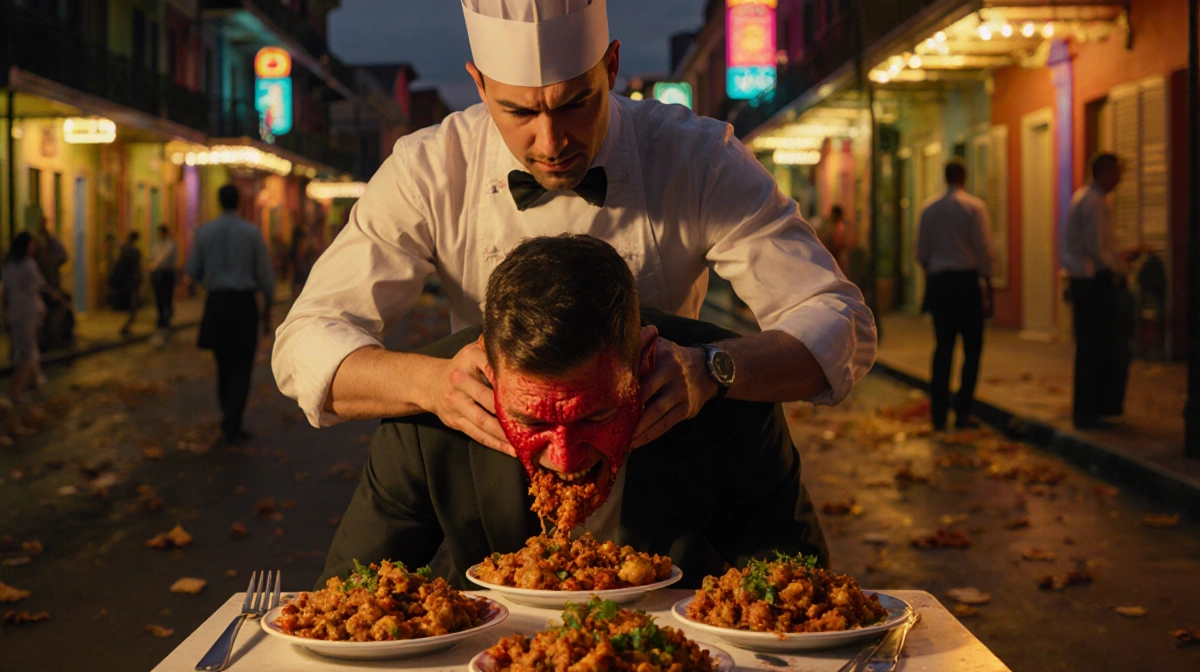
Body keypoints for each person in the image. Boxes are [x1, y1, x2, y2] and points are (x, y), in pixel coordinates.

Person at [273, 0, 876, 457]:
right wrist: (435, 383)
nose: (551, 141)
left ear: (611, 66)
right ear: (479, 85)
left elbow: (837, 321)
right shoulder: (428, 170)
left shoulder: (696, 158)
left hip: (669, 464)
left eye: (575, 103)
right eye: (519, 112)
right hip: (500, 478)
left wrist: (710, 368)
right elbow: (304, 346)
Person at [318, 235, 826, 588]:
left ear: (647, 362)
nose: (563, 459)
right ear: (488, 375)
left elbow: (798, 583)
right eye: (533, 422)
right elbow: (345, 597)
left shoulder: (724, 396)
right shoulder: (430, 415)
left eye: (597, 417)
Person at [185, 185, 276, 444]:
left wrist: (210, 280)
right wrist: (268, 306)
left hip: (216, 303)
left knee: (222, 363)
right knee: (242, 364)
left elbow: (192, 270)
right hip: (244, 305)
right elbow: (265, 275)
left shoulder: (203, 232)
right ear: (238, 202)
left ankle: (228, 414)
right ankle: (232, 420)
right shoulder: (252, 233)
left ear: (218, 201)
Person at [1062, 152, 1142, 428]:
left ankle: (1090, 409)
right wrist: (1120, 266)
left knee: (1092, 347)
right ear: (1103, 172)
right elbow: (1097, 249)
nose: (1119, 179)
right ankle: (1090, 411)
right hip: (1092, 281)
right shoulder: (1094, 202)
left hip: (1085, 279)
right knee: (1096, 347)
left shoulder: (1085, 198)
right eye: (1116, 172)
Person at [916, 159, 995, 432]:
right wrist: (987, 284)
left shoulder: (929, 209)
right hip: (965, 282)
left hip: (940, 282)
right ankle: (962, 411)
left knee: (943, 348)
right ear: (965, 176)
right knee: (972, 348)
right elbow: (983, 248)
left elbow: (922, 254)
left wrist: (932, 279)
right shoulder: (974, 207)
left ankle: (938, 414)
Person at [2, 232, 51, 402]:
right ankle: (16, 391)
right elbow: (37, 287)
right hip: (27, 312)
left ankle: (36, 380)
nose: (34, 247)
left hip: (15, 312)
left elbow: (5, 293)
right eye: (32, 244)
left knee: (24, 347)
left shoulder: (9, 266)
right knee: (27, 352)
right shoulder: (28, 265)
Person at [110, 231, 143, 337]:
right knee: (132, 307)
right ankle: (126, 327)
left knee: (127, 305)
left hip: (124, 281)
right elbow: (136, 268)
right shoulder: (134, 251)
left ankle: (125, 327)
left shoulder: (123, 250)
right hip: (131, 282)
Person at [148, 224, 178, 329]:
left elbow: (163, 259)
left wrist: (153, 265)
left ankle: (167, 315)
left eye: (160, 232)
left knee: (167, 296)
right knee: (158, 296)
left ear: (164, 233)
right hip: (157, 273)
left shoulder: (171, 245)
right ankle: (161, 317)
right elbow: (152, 257)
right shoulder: (156, 245)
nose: (159, 235)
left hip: (166, 273)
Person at [33, 216, 68, 293]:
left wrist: (52, 262)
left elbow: (63, 256)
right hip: (41, 279)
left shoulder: (53, 242)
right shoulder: (36, 241)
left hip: (51, 279)